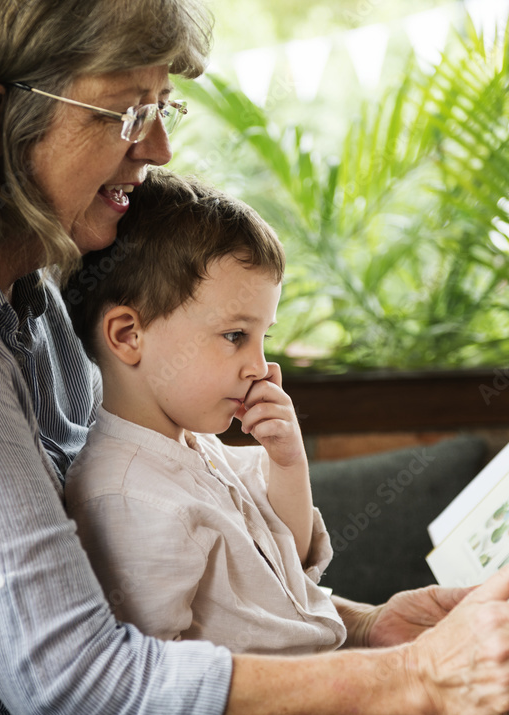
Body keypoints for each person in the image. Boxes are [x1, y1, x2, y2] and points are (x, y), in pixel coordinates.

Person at [0, 1, 509, 715]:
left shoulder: (25, 287)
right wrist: (416, 677)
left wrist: (363, 627)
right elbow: (83, 691)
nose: (158, 146)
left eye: (159, 107)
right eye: (124, 112)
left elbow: (122, 606)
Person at [62, 171, 345, 654]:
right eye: (235, 335)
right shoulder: (129, 497)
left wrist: (287, 463)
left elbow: (290, 562)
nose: (259, 366)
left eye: (263, 337)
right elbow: (155, 684)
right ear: (129, 335)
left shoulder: (197, 447)